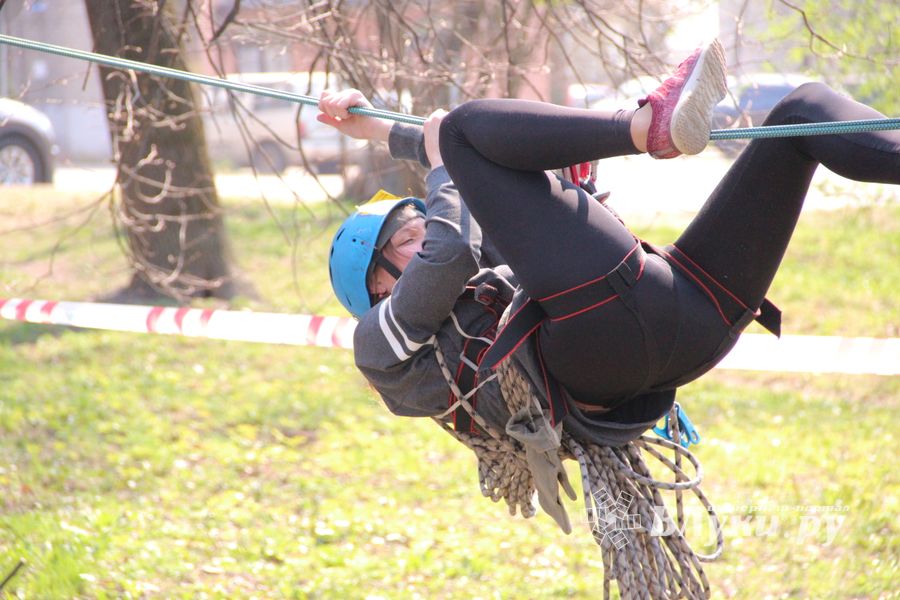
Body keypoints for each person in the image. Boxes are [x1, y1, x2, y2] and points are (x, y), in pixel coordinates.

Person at [319, 40, 899, 527]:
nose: (424, 236)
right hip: (610, 345)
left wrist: (374, 128)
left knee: (802, 113)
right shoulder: (380, 347)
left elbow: (478, 176)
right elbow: (449, 229)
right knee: (466, 130)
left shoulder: (482, 275)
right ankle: (648, 127)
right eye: (406, 240)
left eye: (422, 224)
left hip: (687, 317)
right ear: (376, 286)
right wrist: (442, 162)